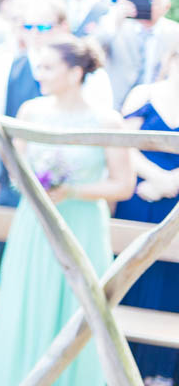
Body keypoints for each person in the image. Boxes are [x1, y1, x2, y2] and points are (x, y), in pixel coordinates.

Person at [0, 37, 135, 386]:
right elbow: (15, 169)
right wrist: (36, 185)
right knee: (27, 304)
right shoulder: (31, 111)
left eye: (49, 67)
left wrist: (73, 191)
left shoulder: (106, 120)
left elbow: (122, 184)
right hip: (34, 225)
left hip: (81, 225)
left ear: (76, 72)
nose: (40, 74)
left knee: (78, 308)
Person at [0, 0, 114, 224]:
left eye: (42, 26)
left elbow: (103, 141)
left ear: (64, 27)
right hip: (17, 193)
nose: (34, 34)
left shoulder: (93, 77)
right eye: (27, 26)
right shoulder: (3, 68)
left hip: (78, 200)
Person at [113, 38, 179, 386]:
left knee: (171, 287)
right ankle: (122, 366)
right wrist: (155, 178)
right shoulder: (144, 94)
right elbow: (125, 145)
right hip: (140, 196)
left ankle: (162, 373)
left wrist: (173, 182)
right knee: (134, 274)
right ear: (171, 60)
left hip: (176, 205)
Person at [96, 0, 179, 110]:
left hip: (159, 109)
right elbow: (91, 50)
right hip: (118, 105)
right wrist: (115, 20)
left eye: (152, 1)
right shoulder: (116, 27)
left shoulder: (175, 33)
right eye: (140, 0)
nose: (146, 6)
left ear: (166, 6)